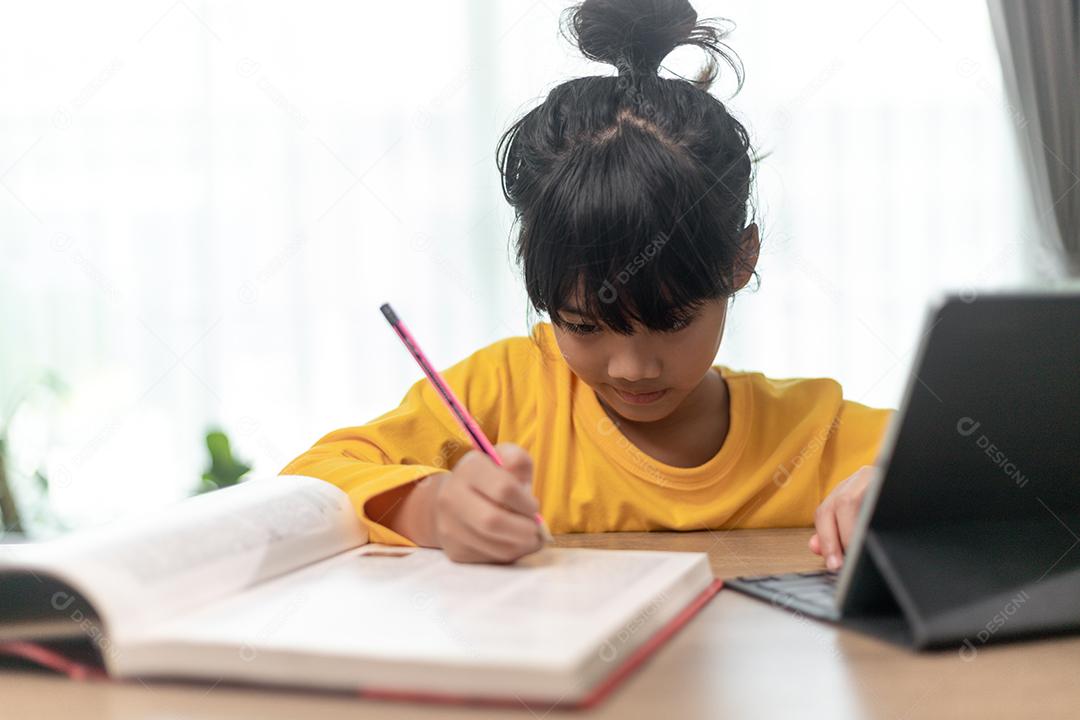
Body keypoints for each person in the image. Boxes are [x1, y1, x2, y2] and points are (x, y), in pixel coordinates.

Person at [281, 0, 892, 570]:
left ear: (741, 260)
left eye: (673, 320)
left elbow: (951, 460)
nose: (632, 368)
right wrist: (433, 510)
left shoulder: (812, 436)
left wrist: (906, 492)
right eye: (582, 324)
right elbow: (310, 482)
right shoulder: (503, 397)